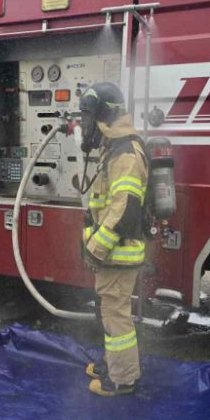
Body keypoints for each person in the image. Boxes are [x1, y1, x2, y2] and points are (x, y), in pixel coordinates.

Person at [79, 82, 148, 397]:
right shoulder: (115, 146)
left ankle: (122, 379)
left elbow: (125, 208)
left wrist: (95, 248)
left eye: (88, 117)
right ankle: (114, 364)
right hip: (113, 253)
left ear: (104, 115)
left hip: (117, 252)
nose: (85, 125)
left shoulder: (125, 153)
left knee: (116, 314)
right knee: (109, 310)